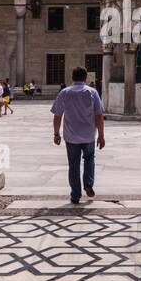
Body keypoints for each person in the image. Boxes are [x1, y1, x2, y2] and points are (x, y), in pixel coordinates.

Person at [51, 66, 105, 204]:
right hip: (88, 135)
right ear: (86, 78)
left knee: (73, 165)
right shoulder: (92, 92)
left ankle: (75, 194)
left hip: (71, 136)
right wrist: (101, 136)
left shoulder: (65, 92)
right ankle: (88, 184)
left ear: (72, 77)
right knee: (89, 159)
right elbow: (99, 116)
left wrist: (56, 134)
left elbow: (57, 116)